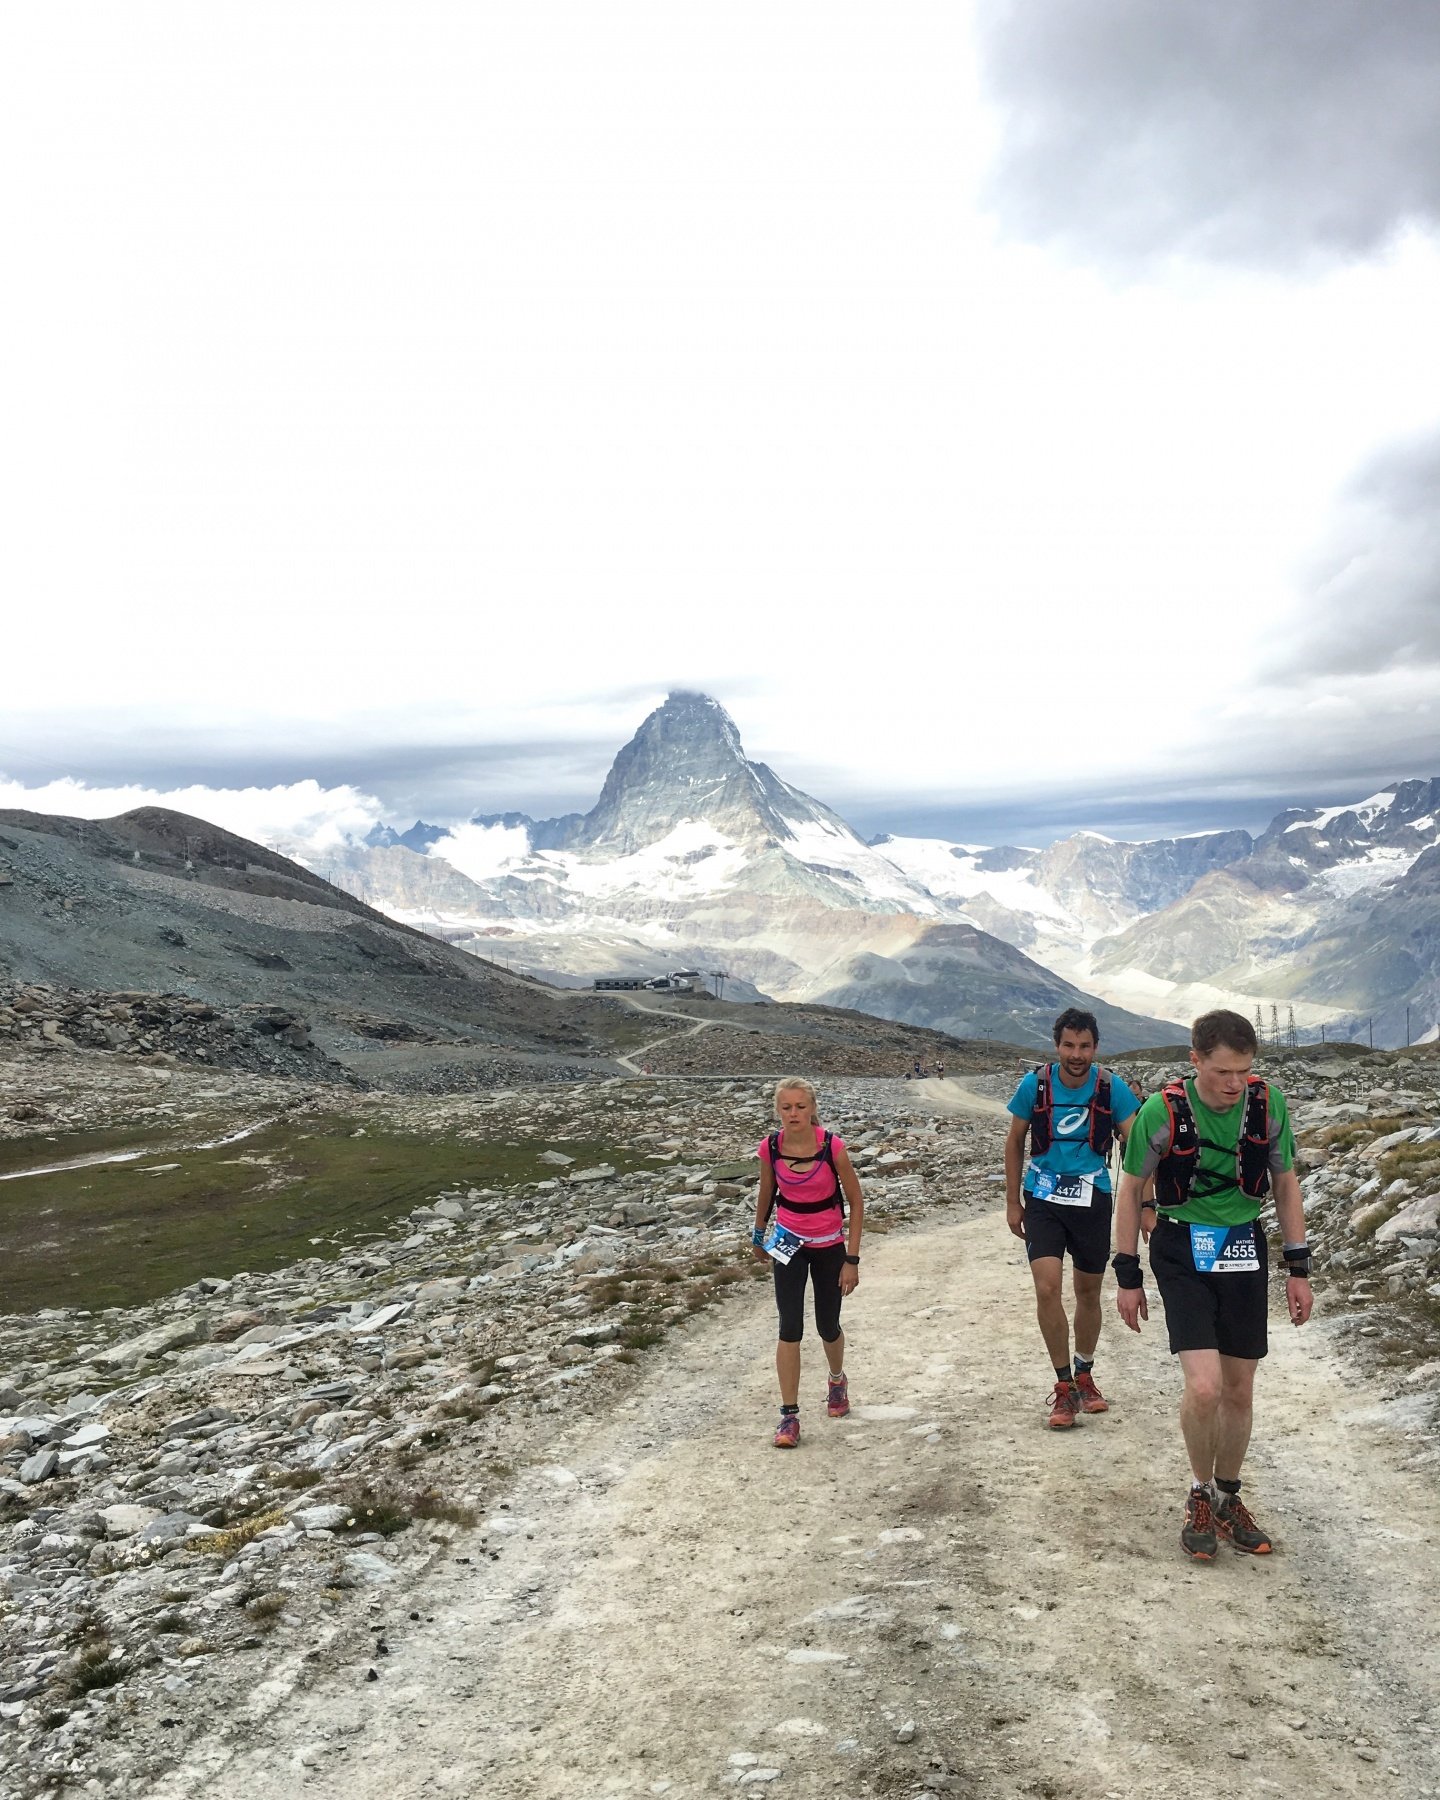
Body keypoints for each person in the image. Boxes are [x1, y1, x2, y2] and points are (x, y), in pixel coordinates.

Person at [1113, 1009, 1313, 1560]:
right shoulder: (1161, 1113)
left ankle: (1228, 1497)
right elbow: (1129, 1192)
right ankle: (1199, 1494)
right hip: (1181, 1247)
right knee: (1204, 1386)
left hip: (1244, 1244)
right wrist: (1127, 1275)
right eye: (1222, 1071)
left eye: (1243, 1072)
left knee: (1239, 1389)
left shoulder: (1268, 1105)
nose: (1233, 1084)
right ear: (1195, 1060)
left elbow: (1285, 1183)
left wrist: (1299, 1269)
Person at [1004, 1008, 1140, 1428]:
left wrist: (1146, 1205)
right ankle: (1063, 1387)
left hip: (1092, 1198)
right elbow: (1014, 1142)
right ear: (1057, 1045)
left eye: (1084, 1046)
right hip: (1043, 1197)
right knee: (1047, 1289)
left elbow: (1138, 1148)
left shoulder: (1110, 1088)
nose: (1076, 1054)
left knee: (1087, 1292)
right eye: (1069, 1045)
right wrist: (1013, 1201)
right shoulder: (1035, 1084)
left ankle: (1085, 1373)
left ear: (1095, 1047)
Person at [751, 1077, 864, 1447]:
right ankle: (789, 1417)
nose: (794, 1113)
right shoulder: (770, 1147)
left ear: (812, 1108)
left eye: (800, 1106)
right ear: (777, 1111)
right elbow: (767, 1191)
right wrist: (759, 1235)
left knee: (827, 1325)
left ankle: (836, 1380)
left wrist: (852, 1259)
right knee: (789, 1325)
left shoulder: (832, 1147)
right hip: (788, 1243)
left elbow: (857, 1203)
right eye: (786, 1107)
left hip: (829, 1244)